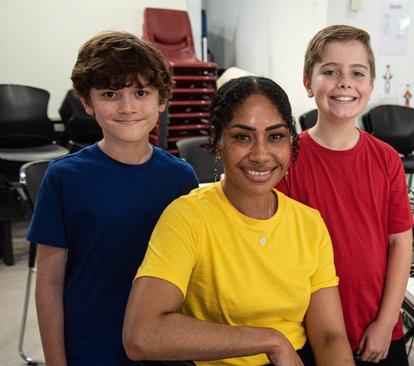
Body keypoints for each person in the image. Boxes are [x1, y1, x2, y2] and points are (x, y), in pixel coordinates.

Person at [122, 76, 354, 366]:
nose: (260, 155)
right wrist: (271, 341)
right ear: (218, 142)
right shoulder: (187, 217)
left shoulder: (310, 224)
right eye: (243, 137)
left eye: (275, 136)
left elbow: (331, 335)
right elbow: (141, 335)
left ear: (290, 143)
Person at [27, 31, 198, 365]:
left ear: (161, 100)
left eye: (141, 92)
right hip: (91, 347)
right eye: (110, 93)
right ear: (87, 102)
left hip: (166, 345)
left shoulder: (181, 177)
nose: (128, 107)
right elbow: (48, 282)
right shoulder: (63, 178)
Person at [277, 25, 413, 365]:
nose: (344, 83)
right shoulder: (287, 160)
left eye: (357, 73)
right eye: (330, 71)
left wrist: (385, 321)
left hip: (377, 326)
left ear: (370, 85)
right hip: (308, 332)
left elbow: (400, 243)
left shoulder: (386, 160)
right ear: (308, 83)